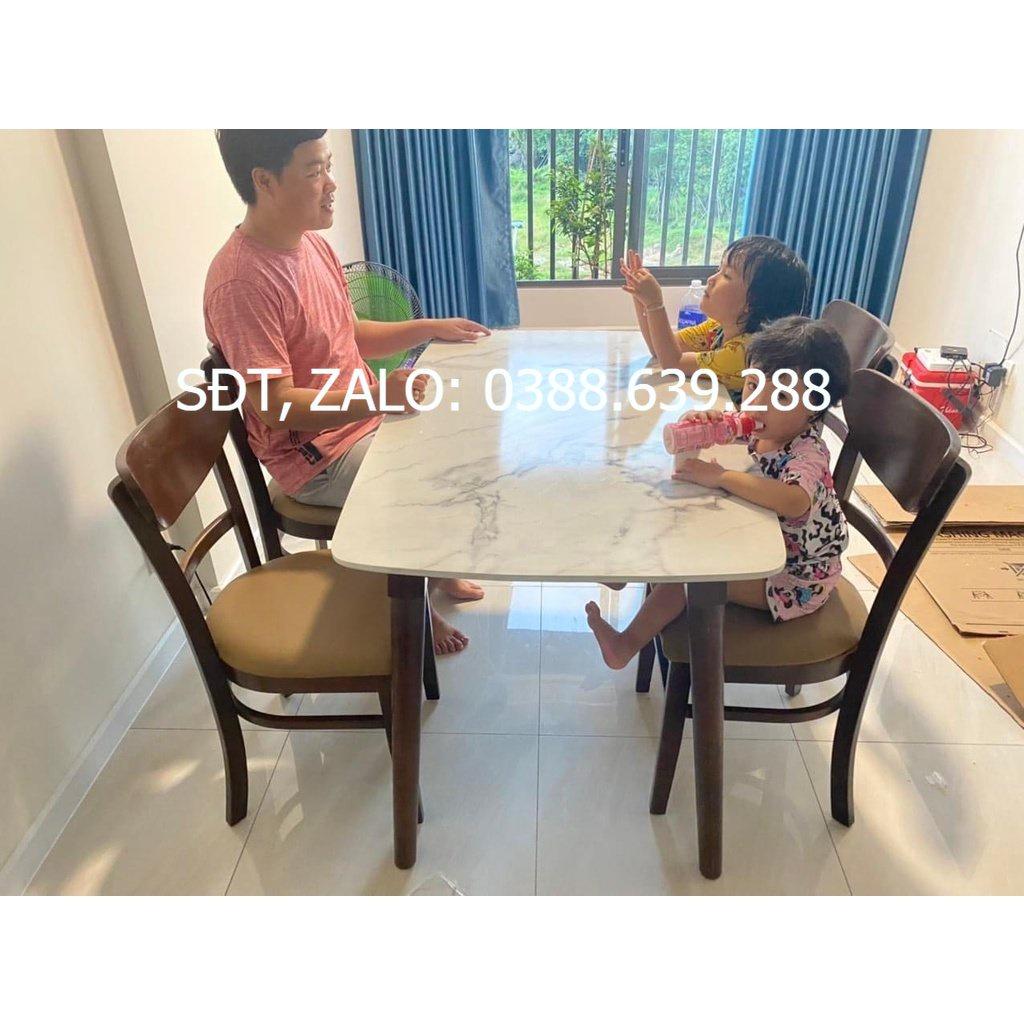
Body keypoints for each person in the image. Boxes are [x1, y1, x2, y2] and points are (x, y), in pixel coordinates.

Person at [205, 129, 487, 654]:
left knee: (463, 434)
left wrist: (430, 327)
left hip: (361, 421)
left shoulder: (311, 243)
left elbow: (351, 333)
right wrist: (380, 397)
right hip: (318, 458)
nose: (331, 184)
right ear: (264, 181)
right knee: (434, 480)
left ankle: (435, 569)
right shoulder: (242, 282)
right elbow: (275, 404)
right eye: (314, 172)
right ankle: (411, 609)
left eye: (328, 166)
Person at [586, 316, 852, 669]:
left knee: (687, 577)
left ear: (815, 409)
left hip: (796, 577)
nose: (758, 403)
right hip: (763, 543)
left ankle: (624, 646)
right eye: (754, 384)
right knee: (671, 518)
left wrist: (723, 477)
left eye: (783, 396)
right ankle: (623, 571)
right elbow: (731, 431)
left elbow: (793, 500)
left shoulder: (808, 453)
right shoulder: (769, 425)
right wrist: (706, 421)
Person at [620, 235, 811, 400]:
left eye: (726, 275)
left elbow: (673, 363)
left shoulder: (747, 351)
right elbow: (660, 348)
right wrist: (641, 296)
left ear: (752, 302)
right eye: (718, 269)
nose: (711, 279)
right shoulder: (718, 328)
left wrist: (654, 304)